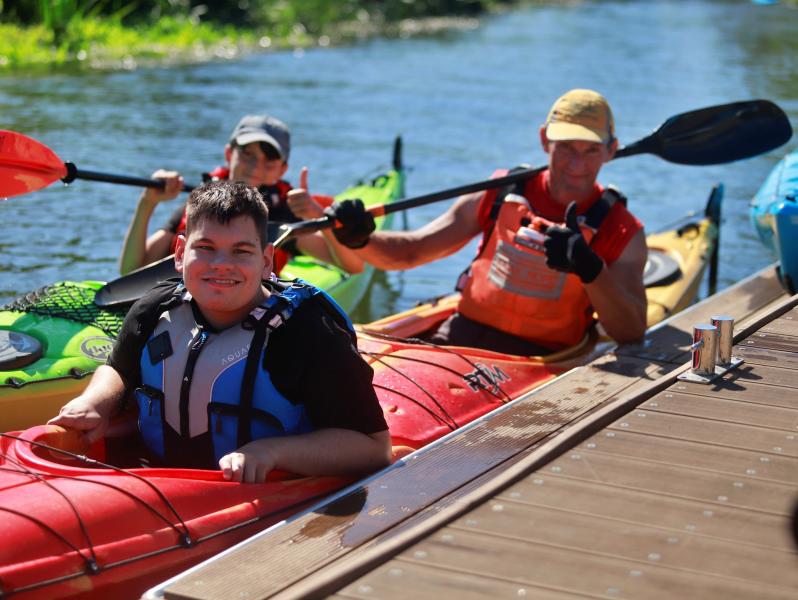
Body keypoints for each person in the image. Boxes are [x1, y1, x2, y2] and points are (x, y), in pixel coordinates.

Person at [52, 180, 391, 483]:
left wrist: (271, 452)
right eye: (206, 248)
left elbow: (373, 449)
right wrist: (96, 402)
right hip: (154, 482)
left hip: (268, 499)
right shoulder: (154, 309)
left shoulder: (308, 333)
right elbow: (119, 370)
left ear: (266, 260)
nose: (221, 265)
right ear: (181, 253)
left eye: (241, 251)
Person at [329, 89, 648, 355]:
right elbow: (413, 251)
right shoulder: (499, 192)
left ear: (611, 151)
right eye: (565, 147)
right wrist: (360, 240)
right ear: (543, 140)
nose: (576, 164)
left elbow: (631, 331)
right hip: (460, 338)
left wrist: (591, 268)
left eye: (591, 151)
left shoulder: (622, 230)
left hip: (544, 360)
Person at [119, 113, 364, 277]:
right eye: (247, 154)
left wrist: (318, 216)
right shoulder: (203, 201)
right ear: (229, 154)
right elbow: (131, 270)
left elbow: (352, 267)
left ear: (282, 170)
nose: (256, 166)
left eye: (269, 159)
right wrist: (147, 203)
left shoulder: (285, 213)